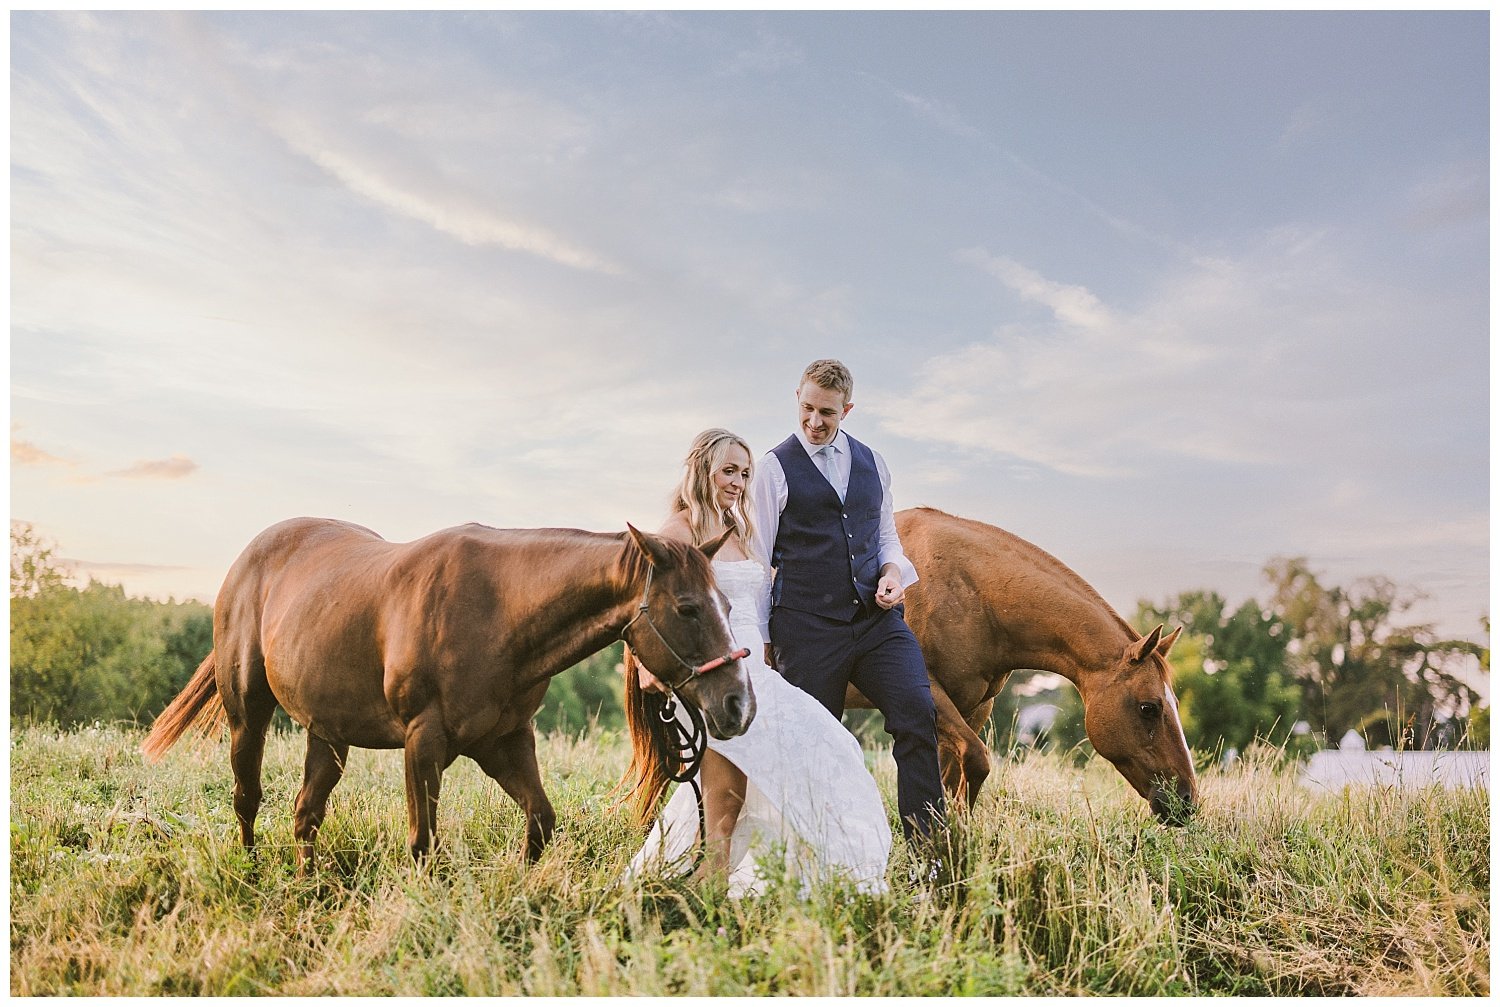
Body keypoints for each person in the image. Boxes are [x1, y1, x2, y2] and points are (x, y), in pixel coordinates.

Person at [620, 428, 890, 897]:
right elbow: (647, 604)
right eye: (729, 471)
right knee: (783, 751)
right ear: (703, 469)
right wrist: (646, 666)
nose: (739, 483)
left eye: (744, 474)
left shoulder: (739, 531)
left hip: (751, 669)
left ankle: (723, 873)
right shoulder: (680, 531)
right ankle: (716, 872)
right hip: (709, 676)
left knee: (830, 748)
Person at [748, 359, 946, 842]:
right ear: (797, 397)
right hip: (806, 627)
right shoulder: (773, 470)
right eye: (808, 409)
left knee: (919, 715)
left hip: (876, 621)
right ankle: (816, 852)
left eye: (828, 414)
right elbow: (758, 561)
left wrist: (894, 574)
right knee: (812, 745)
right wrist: (763, 641)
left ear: (848, 409)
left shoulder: (873, 462)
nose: (815, 422)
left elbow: (886, 539)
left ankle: (931, 854)